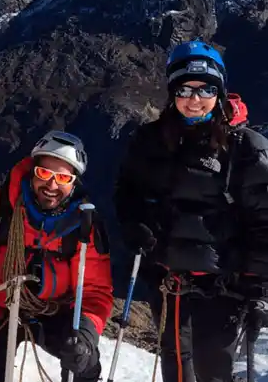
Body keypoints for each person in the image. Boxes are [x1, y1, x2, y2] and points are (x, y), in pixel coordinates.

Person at [115, 40, 268, 382]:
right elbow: (128, 192)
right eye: (184, 89)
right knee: (177, 367)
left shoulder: (244, 148)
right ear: (172, 91)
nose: (195, 99)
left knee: (214, 368)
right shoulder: (150, 141)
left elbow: (264, 219)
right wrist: (134, 224)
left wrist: (256, 284)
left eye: (206, 90)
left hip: (225, 283)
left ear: (220, 92)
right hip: (168, 279)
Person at [0, 130, 112, 382]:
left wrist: (85, 335)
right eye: (44, 174)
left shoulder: (84, 228)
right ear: (31, 172)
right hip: (1, 311)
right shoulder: (1, 209)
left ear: (74, 183)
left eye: (62, 177)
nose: (51, 185)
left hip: (57, 312)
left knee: (80, 356)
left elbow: (95, 291)